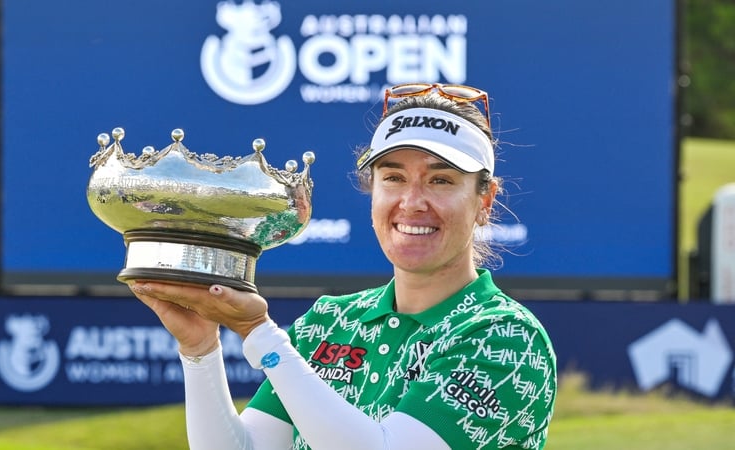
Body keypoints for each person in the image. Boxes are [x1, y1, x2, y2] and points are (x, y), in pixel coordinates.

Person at [129, 82, 557, 449]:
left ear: (485, 201)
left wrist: (259, 334)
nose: (412, 202)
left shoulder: (507, 338)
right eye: (394, 178)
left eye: (440, 180)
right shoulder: (329, 322)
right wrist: (200, 349)